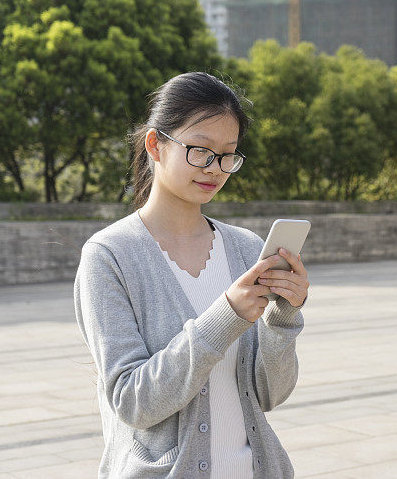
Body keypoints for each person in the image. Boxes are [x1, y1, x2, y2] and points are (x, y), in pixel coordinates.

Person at [73, 71, 309, 478]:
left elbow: (269, 394)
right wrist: (225, 318)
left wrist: (282, 317)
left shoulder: (246, 249)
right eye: (200, 150)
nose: (214, 169)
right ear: (155, 144)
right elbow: (133, 403)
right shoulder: (109, 257)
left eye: (227, 155)